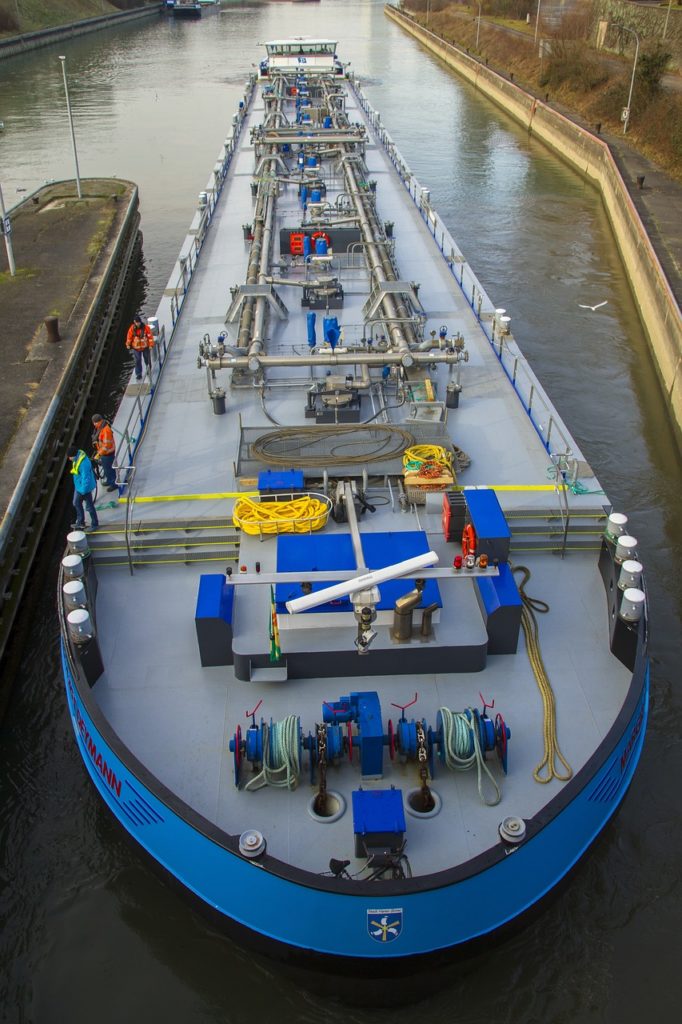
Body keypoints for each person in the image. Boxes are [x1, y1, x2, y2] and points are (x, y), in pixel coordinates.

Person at [67, 446, 99, 532]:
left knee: (89, 507)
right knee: (76, 502)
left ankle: (95, 524)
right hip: (79, 487)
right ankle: (81, 522)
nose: (69, 459)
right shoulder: (77, 458)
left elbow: (86, 478)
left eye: (70, 457)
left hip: (84, 489)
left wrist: (83, 490)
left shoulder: (83, 463)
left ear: (73, 455)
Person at [91, 414, 117, 491]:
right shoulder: (101, 427)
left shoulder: (106, 430)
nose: (94, 424)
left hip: (108, 453)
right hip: (104, 453)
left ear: (98, 422)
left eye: (95, 423)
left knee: (109, 469)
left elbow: (106, 446)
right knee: (106, 469)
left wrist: (99, 454)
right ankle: (109, 480)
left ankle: (114, 484)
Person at [125, 314, 155, 381]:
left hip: (145, 347)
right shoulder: (132, 329)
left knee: (147, 359)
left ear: (140, 322)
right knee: (137, 361)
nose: (137, 324)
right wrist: (128, 344)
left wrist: (151, 345)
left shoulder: (146, 328)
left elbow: (150, 337)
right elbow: (129, 337)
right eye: (136, 322)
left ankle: (149, 370)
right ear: (134, 322)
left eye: (138, 322)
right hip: (136, 348)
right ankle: (138, 374)